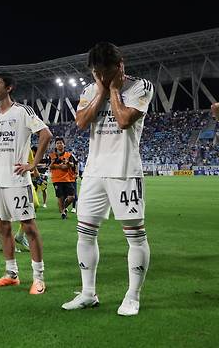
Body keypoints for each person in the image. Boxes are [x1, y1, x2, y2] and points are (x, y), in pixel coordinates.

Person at [62, 42, 153, 316]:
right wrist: (102, 90)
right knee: (85, 233)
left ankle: (132, 296)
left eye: (106, 72)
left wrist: (113, 90)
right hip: (94, 172)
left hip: (124, 171)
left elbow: (124, 120)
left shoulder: (141, 87)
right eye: (96, 72)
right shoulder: (91, 90)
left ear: (120, 65)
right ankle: (88, 293)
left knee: (135, 236)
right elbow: (80, 122)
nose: (100, 76)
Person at [0, 73, 52, 294]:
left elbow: (45, 135)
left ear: (9, 88)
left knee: (28, 227)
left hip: (18, 180)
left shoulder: (22, 111)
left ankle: (38, 278)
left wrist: (33, 164)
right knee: (3, 227)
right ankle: (11, 274)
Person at [49, 137, 78, 219]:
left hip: (67, 179)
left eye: (61, 143)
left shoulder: (69, 155)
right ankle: (63, 213)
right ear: (55, 145)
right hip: (56, 179)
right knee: (60, 197)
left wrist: (67, 163)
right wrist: (61, 166)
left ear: (64, 144)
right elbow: (51, 166)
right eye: (57, 143)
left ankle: (63, 208)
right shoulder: (52, 156)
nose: (59, 144)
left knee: (72, 197)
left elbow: (72, 164)